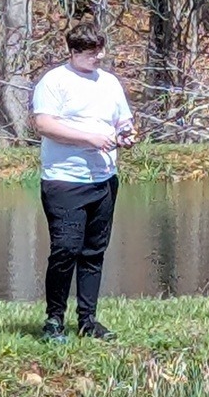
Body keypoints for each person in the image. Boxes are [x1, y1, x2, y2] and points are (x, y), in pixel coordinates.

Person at [32, 23, 136, 343]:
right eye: (92, 53)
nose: (98, 58)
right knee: (66, 249)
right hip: (64, 180)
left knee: (93, 251)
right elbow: (43, 124)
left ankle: (88, 320)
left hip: (103, 180)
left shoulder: (109, 83)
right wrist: (88, 138)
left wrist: (128, 134)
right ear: (73, 51)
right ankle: (53, 321)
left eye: (100, 51)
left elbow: (124, 119)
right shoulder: (54, 82)